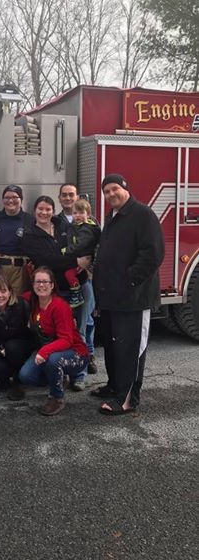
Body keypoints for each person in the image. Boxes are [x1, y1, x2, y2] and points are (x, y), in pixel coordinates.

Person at [92, 174, 164, 415]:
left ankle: (127, 399)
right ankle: (114, 386)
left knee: (131, 349)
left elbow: (153, 254)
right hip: (112, 298)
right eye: (106, 191)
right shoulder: (113, 217)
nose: (111, 194)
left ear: (126, 188)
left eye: (115, 189)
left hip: (133, 298)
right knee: (114, 347)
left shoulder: (143, 214)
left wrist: (129, 280)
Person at [19, 267, 89, 416]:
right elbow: (13, 297)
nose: (41, 285)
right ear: (33, 284)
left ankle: (57, 397)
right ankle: (56, 378)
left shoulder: (60, 306)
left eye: (45, 282)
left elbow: (66, 340)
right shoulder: (33, 301)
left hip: (75, 353)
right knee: (26, 376)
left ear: (52, 285)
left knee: (53, 360)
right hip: (49, 351)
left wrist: (44, 352)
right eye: (38, 281)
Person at [57, 184, 99, 374]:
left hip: (85, 277)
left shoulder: (91, 222)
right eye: (64, 195)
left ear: (77, 197)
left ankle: (89, 356)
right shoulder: (56, 221)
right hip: (66, 277)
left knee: (87, 319)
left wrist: (90, 264)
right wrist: (74, 261)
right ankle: (73, 360)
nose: (67, 198)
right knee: (69, 322)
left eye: (71, 195)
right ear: (59, 198)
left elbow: (99, 245)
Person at [0, 276, 32, 400]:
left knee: (12, 347)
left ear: (10, 292)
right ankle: (3, 378)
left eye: (3, 291)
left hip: (19, 347)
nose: (0, 295)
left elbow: (31, 330)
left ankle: (18, 379)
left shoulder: (21, 304)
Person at [0, 185, 33, 295]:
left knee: (18, 301)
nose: (10, 201)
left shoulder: (30, 221)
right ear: (2, 200)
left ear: (21, 199)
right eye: (7, 197)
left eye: (14, 197)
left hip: (19, 271)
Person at [62, 199, 101, 308]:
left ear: (88, 214)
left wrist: (66, 250)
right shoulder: (76, 226)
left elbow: (80, 244)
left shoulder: (87, 229)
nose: (78, 215)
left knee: (69, 274)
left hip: (84, 261)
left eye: (81, 212)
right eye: (75, 213)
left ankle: (77, 295)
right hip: (78, 260)